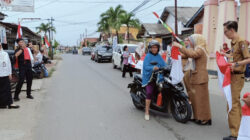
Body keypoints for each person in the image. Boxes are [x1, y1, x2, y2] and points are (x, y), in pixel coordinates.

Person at [173, 34, 212, 125]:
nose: (190, 42)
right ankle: (198, 117)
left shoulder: (200, 49)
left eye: (191, 40)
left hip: (200, 77)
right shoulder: (198, 48)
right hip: (196, 77)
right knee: (196, 99)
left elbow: (192, 54)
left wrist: (179, 46)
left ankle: (205, 119)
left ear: (197, 40)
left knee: (202, 100)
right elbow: (187, 54)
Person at [222, 21, 250, 140]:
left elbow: (248, 58)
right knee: (234, 104)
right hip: (232, 75)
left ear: (232, 30)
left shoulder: (241, 42)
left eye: (226, 31)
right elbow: (234, 57)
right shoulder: (233, 43)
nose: (225, 34)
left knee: (232, 104)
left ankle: (235, 134)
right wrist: (225, 56)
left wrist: (236, 64)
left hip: (238, 76)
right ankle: (239, 130)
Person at [142, 40, 166, 121]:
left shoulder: (159, 56)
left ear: (158, 48)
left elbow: (164, 64)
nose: (154, 49)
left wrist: (168, 67)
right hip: (150, 78)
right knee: (149, 93)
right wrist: (153, 68)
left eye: (156, 47)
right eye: (153, 47)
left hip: (159, 76)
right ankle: (147, 112)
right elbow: (145, 67)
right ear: (150, 48)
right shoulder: (148, 56)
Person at [0, 43, 19, 109]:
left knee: (7, 90)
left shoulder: (5, 54)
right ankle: (2, 104)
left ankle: (10, 103)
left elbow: (8, 63)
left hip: (5, 74)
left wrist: (10, 73)